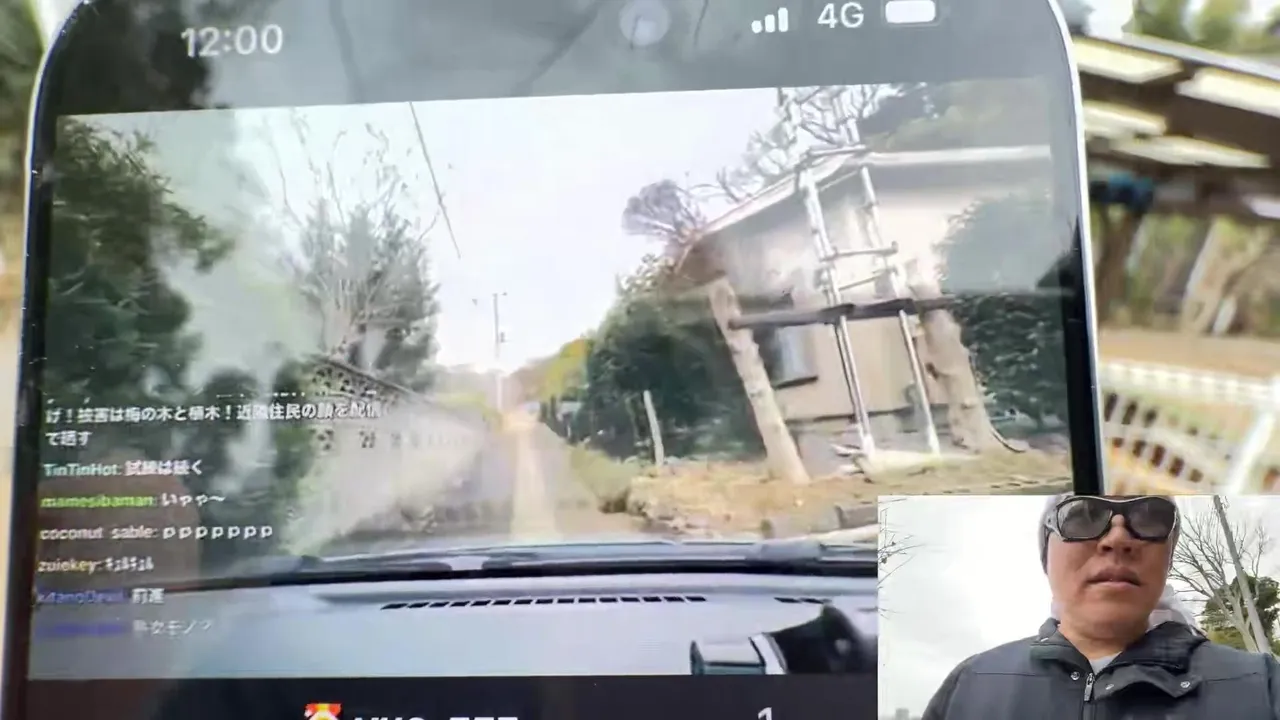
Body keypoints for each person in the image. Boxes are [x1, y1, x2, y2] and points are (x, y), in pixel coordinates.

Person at [921, 494, 1280, 719]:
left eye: (1150, 515)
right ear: (1046, 554)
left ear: (1168, 555)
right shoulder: (971, 684)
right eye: (1082, 514)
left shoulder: (1261, 685)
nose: (1118, 538)